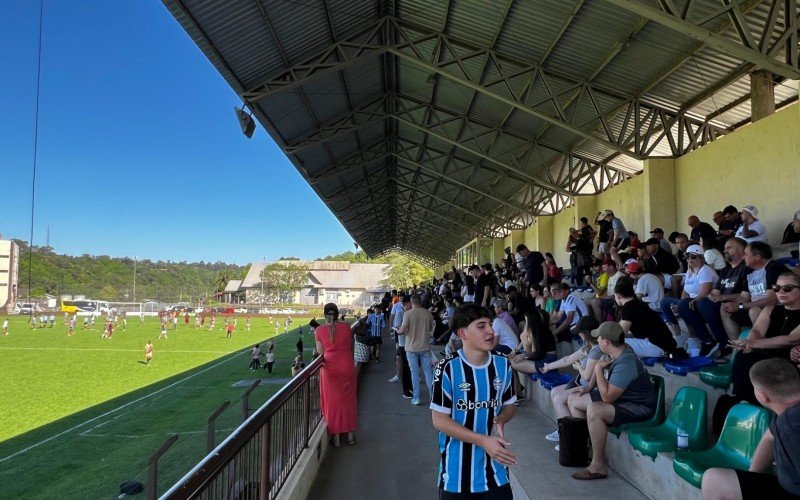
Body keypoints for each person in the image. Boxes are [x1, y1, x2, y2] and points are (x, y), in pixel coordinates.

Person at [431, 304, 517, 499]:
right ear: (463, 333)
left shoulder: (503, 364)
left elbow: (510, 404)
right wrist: (483, 440)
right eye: (481, 326)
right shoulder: (447, 368)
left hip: (496, 473)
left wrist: (502, 418)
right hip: (456, 476)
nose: (490, 331)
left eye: (490, 324)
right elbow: (439, 421)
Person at [567, 322, 657, 480]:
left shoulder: (626, 362)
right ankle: (583, 452)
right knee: (575, 399)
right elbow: (602, 371)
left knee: (595, 409)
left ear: (606, 342)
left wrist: (598, 369)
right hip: (623, 399)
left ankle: (597, 466)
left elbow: (607, 398)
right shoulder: (615, 351)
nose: (598, 341)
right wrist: (589, 386)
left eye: (599, 338)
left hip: (638, 407)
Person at [701, 359, 800, 499]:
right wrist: (751, 477)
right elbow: (768, 438)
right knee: (714, 479)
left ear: (762, 396)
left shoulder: (791, 423)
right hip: (788, 488)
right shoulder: (785, 412)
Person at [730, 273, 800, 404]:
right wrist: (749, 345)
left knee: (751, 360)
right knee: (745, 355)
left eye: (788, 288)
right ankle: (742, 400)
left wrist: (754, 343)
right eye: (777, 288)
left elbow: (792, 339)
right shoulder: (770, 309)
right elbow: (757, 330)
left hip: (788, 362)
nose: (781, 292)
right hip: (766, 356)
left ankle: (748, 402)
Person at [539, 316, 601, 445]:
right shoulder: (587, 347)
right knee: (555, 391)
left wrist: (578, 367)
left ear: (586, 333)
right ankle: (563, 429)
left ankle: (568, 437)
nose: (579, 334)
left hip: (591, 387)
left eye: (580, 332)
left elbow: (587, 376)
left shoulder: (597, 350)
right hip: (581, 383)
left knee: (559, 398)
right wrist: (548, 366)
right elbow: (568, 359)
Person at [660, 244, 722, 356]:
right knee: (665, 302)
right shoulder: (690, 272)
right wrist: (678, 305)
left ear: (701, 258)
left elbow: (705, 292)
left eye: (693, 256)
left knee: (683, 305)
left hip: (704, 302)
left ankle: (707, 340)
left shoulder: (705, 270)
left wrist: (682, 304)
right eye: (687, 256)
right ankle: (678, 335)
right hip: (691, 302)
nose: (689, 259)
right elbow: (686, 292)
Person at [314, 303, 357, 447]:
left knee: (333, 402)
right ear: (338, 314)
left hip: (330, 369)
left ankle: (337, 438)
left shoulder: (319, 330)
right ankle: (350, 435)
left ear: (325, 315)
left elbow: (320, 352)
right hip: (347, 366)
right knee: (348, 400)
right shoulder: (346, 327)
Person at [615, 276, 680, 358]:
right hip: (663, 346)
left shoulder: (628, 307)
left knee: (614, 344)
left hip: (657, 347)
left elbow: (620, 334)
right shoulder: (637, 303)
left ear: (618, 295)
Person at [398, 294, 435, 406]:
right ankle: (433, 397)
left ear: (411, 302)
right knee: (428, 373)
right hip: (425, 347)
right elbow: (429, 328)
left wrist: (399, 330)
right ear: (420, 301)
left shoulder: (407, 314)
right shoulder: (427, 313)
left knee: (414, 373)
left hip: (411, 348)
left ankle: (417, 398)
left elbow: (402, 330)